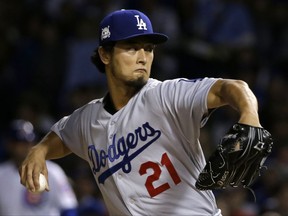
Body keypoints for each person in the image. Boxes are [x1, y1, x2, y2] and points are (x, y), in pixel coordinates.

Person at [19, 9, 264, 215]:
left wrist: (249, 116)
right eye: (132, 48)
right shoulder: (86, 120)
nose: (143, 57)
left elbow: (230, 88)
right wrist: (38, 151)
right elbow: (61, 136)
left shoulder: (165, 95)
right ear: (105, 54)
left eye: (148, 48)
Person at [0, 119, 78, 216]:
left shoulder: (53, 171)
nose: (26, 146)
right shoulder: (1, 173)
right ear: (10, 145)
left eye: (29, 142)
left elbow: (68, 207)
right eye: (21, 142)